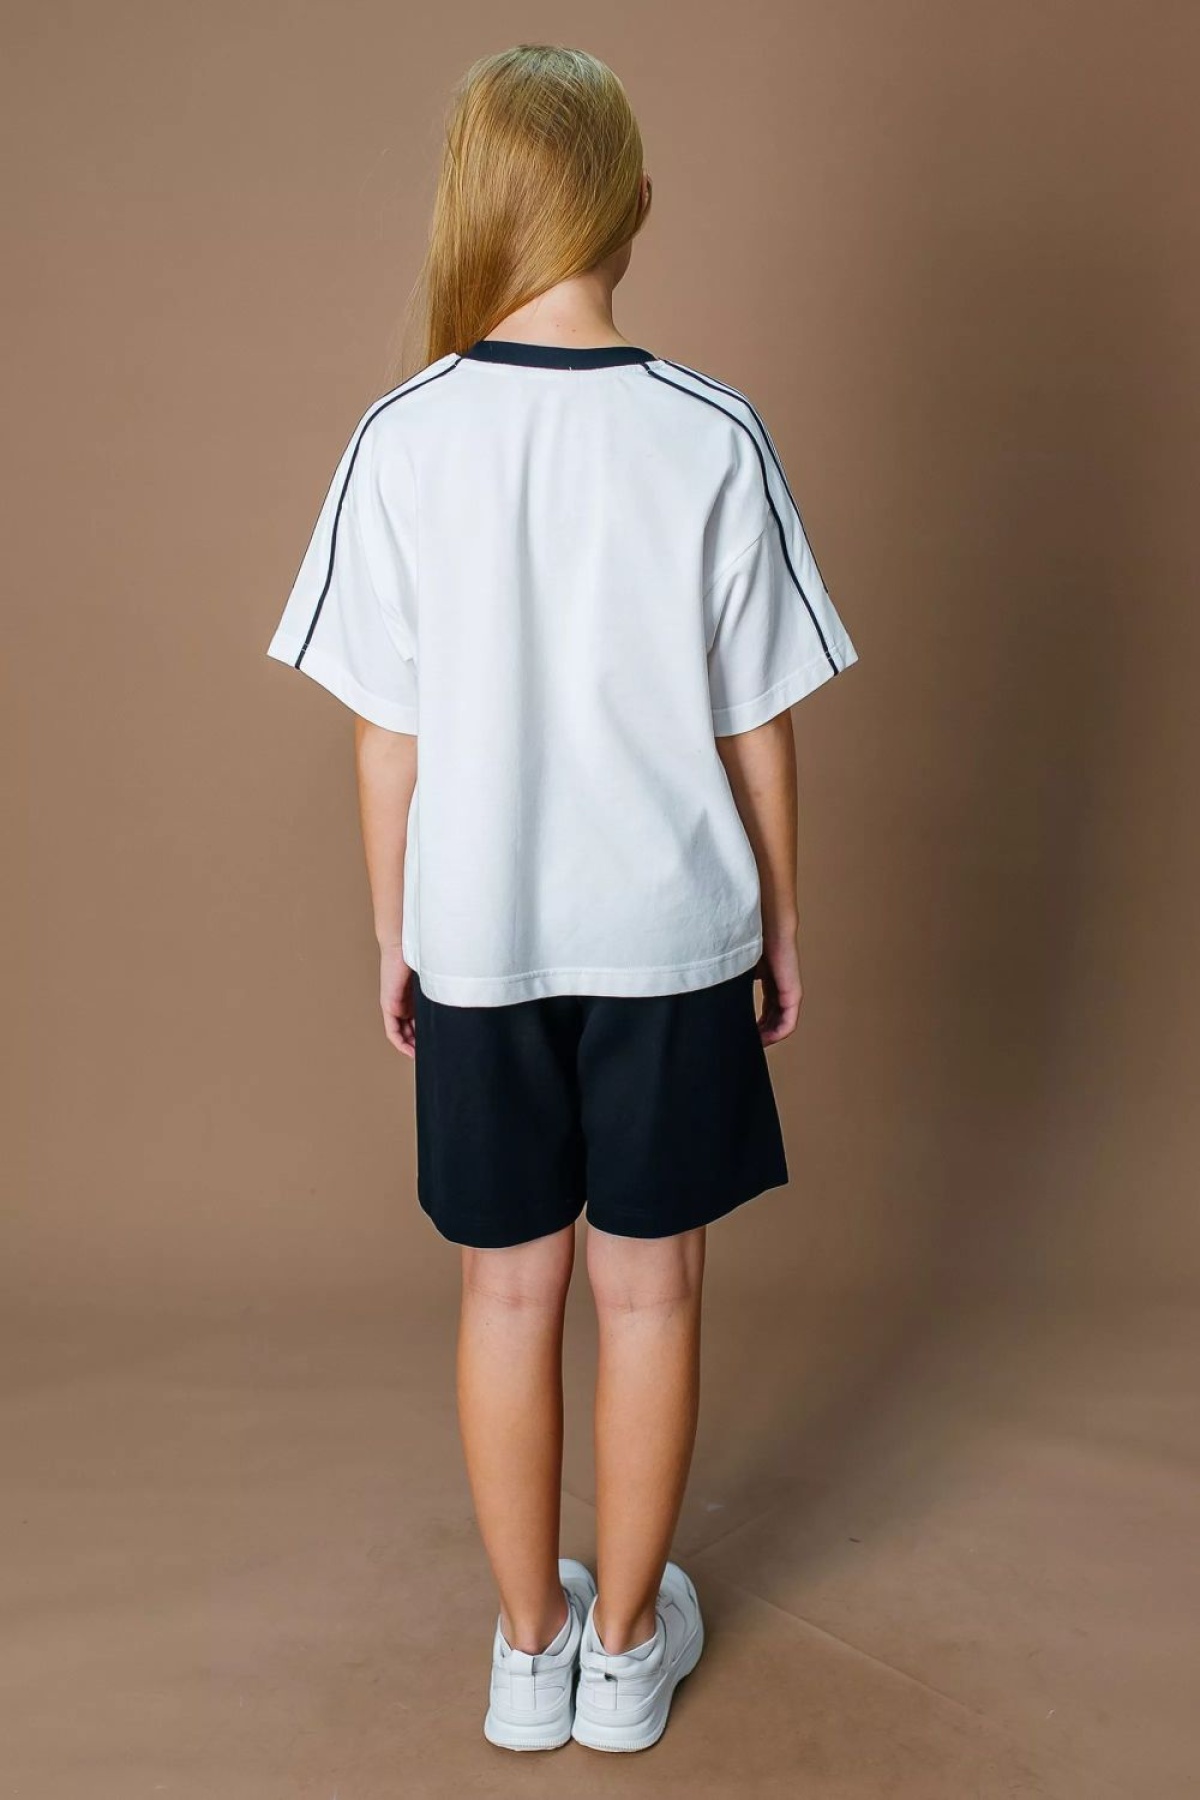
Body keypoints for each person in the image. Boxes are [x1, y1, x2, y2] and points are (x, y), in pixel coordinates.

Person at [265, 42, 859, 1755]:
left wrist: (398, 933)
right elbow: (758, 720)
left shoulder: (402, 437)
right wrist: (781, 922)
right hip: (671, 936)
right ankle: (625, 1645)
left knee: (506, 1295)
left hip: (482, 938)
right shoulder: (711, 434)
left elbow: (387, 735)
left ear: (475, 201)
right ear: (634, 206)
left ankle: (528, 1654)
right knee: (649, 1294)